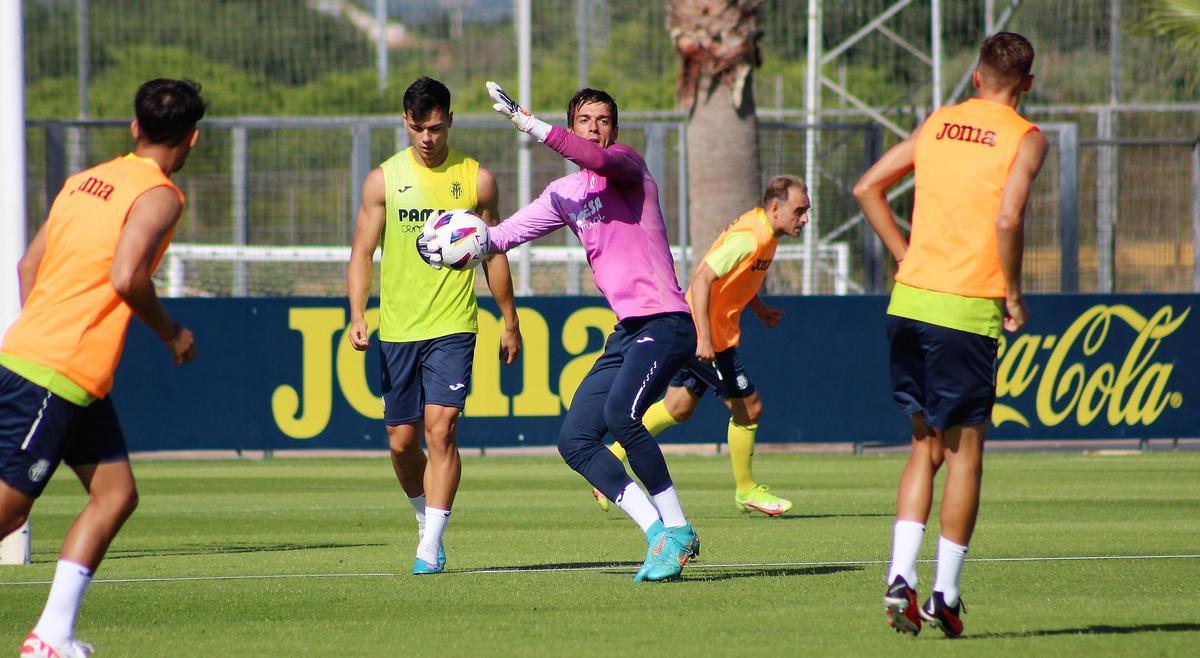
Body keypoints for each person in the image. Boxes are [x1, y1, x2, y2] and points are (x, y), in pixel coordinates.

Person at [422, 82, 699, 581]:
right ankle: (657, 532)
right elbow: (502, 237)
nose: (596, 128)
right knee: (575, 440)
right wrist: (453, 242)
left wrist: (530, 124)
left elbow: (595, 158)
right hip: (627, 333)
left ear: (615, 130)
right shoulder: (564, 195)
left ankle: (679, 527)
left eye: (605, 120)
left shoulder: (628, 167)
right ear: (573, 126)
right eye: (586, 121)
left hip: (665, 321)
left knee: (621, 414)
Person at [0, 79, 206, 658]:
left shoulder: (84, 181)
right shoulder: (161, 195)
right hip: (56, 370)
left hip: (56, 364)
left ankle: (51, 637)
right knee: (9, 510)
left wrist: (44, 330)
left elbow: (27, 265)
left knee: (115, 495)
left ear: (135, 127)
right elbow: (126, 275)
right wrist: (172, 332)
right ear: (191, 138)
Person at [853, 32, 1047, 638]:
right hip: (966, 310)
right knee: (966, 453)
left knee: (923, 447)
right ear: (1028, 85)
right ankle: (944, 592)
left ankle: (900, 576)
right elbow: (1009, 216)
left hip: (909, 301)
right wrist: (1012, 294)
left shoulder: (939, 123)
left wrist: (904, 254)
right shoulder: (1025, 137)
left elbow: (866, 188)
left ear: (974, 77)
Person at [346, 77, 522, 575]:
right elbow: (361, 252)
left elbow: (495, 253)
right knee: (402, 443)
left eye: (437, 128)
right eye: (420, 128)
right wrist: (358, 314)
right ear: (407, 122)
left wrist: (510, 319)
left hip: (454, 323)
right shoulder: (383, 180)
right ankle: (425, 517)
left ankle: (431, 546)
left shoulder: (476, 179)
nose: (428, 138)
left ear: (450, 121)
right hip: (399, 327)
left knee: (440, 430)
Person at [590, 176, 810, 517]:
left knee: (677, 408)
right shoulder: (751, 236)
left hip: (705, 331)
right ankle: (746, 490)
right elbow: (702, 278)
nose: (805, 219)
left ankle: (611, 457)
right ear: (776, 207)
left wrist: (759, 307)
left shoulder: (764, 231)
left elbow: (737, 279)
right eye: (800, 211)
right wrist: (705, 337)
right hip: (705, 335)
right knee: (749, 410)